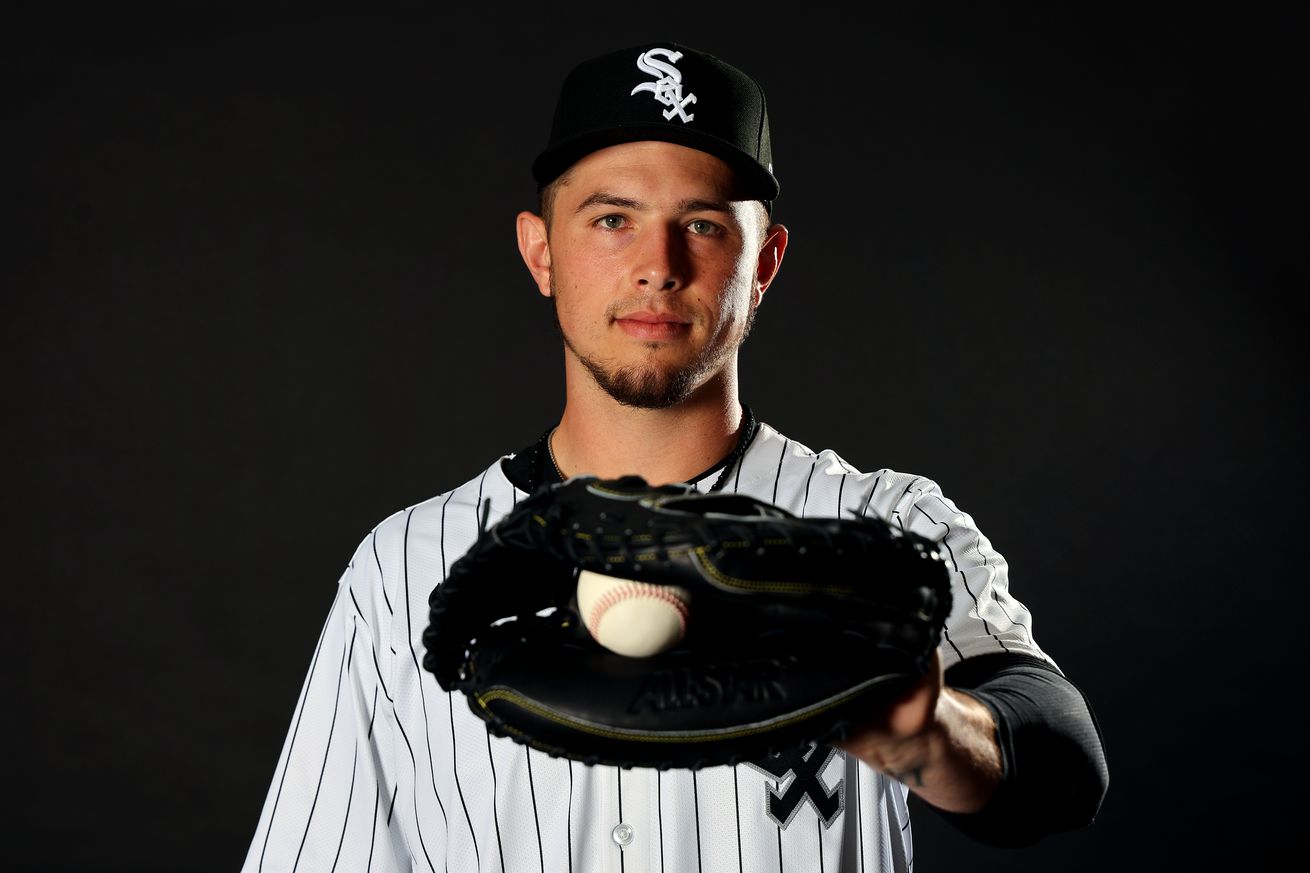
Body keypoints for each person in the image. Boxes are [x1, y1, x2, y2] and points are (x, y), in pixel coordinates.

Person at [242, 41, 1108, 873]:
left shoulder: (884, 530)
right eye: (612, 218)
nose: (657, 266)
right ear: (541, 250)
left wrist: (923, 730)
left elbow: (1060, 762)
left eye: (700, 223)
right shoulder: (403, 568)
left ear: (763, 262)